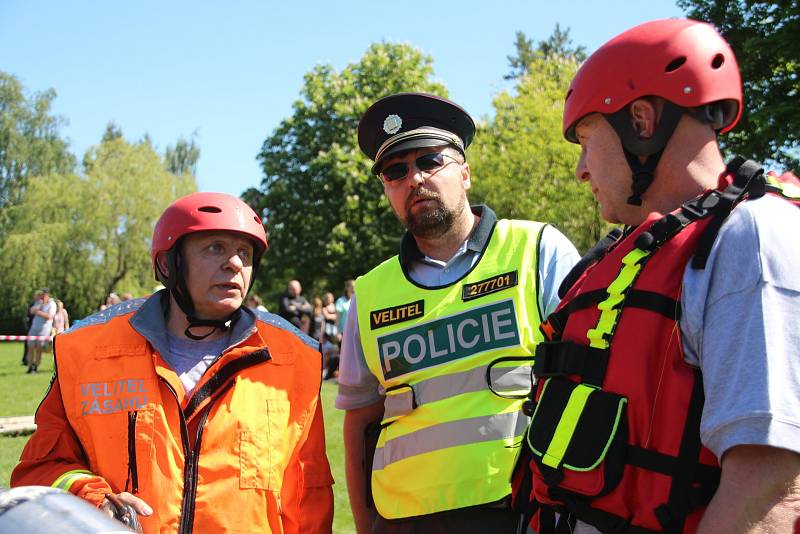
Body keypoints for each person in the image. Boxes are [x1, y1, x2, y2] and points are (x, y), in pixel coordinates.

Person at [513, 19, 800, 534]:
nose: (581, 169)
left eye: (586, 140)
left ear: (641, 121)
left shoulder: (750, 238)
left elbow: (769, 489)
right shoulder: (625, 254)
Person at [11, 192, 334, 533]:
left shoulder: (295, 359)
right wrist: (94, 500)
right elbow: (39, 470)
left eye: (245, 253)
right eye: (215, 248)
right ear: (168, 264)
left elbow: (308, 498)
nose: (235, 263)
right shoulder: (87, 351)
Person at [337, 92, 580, 533]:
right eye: (396, 171)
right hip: (405, 520)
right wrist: (364, 525)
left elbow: (590, 382)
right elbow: (359, 422)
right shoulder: (369, 294)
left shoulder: (538, 249)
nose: (414, 179)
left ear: (464, 173)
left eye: (430, 162)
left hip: (521, 510)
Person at [26, 288, 57, 374]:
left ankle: (35, 367)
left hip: (44, 329)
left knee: (39, 349)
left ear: (47, 294)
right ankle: (29, 367)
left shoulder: (52, 304)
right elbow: (31, 311)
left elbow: (50, 316)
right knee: (30, 347)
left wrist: (38, 312)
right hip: (34, 328)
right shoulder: (39, 302)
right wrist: (40, 306)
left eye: (43, 294)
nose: (42, 296)